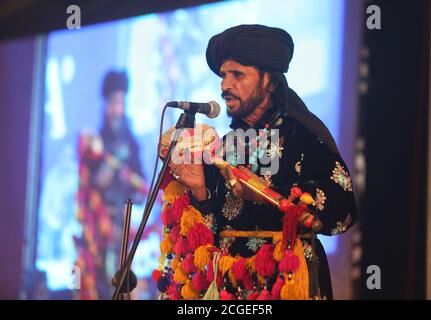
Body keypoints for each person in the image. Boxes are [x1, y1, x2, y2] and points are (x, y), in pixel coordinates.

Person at [165, 24, 357, 300]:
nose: (224, 86)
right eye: (223, 76)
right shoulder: (227, 143)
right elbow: (212, 231)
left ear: (269, 80)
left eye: (237, 75)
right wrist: (200, 193)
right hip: (231, 288)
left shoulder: (302, 134)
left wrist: (268, 194)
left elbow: (344, 210)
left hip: (285, 281)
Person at [76, 70, 146, 299]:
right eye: (114, 102)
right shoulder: (96, 140)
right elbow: (94, 184)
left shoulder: (131, 141)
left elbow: (141, 184)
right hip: (98, 227)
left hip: (123, 225)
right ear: (106, 104)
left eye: (122, 102)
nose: (119, 109)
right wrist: (109, 158)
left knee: (125, 282)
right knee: (94, 281)